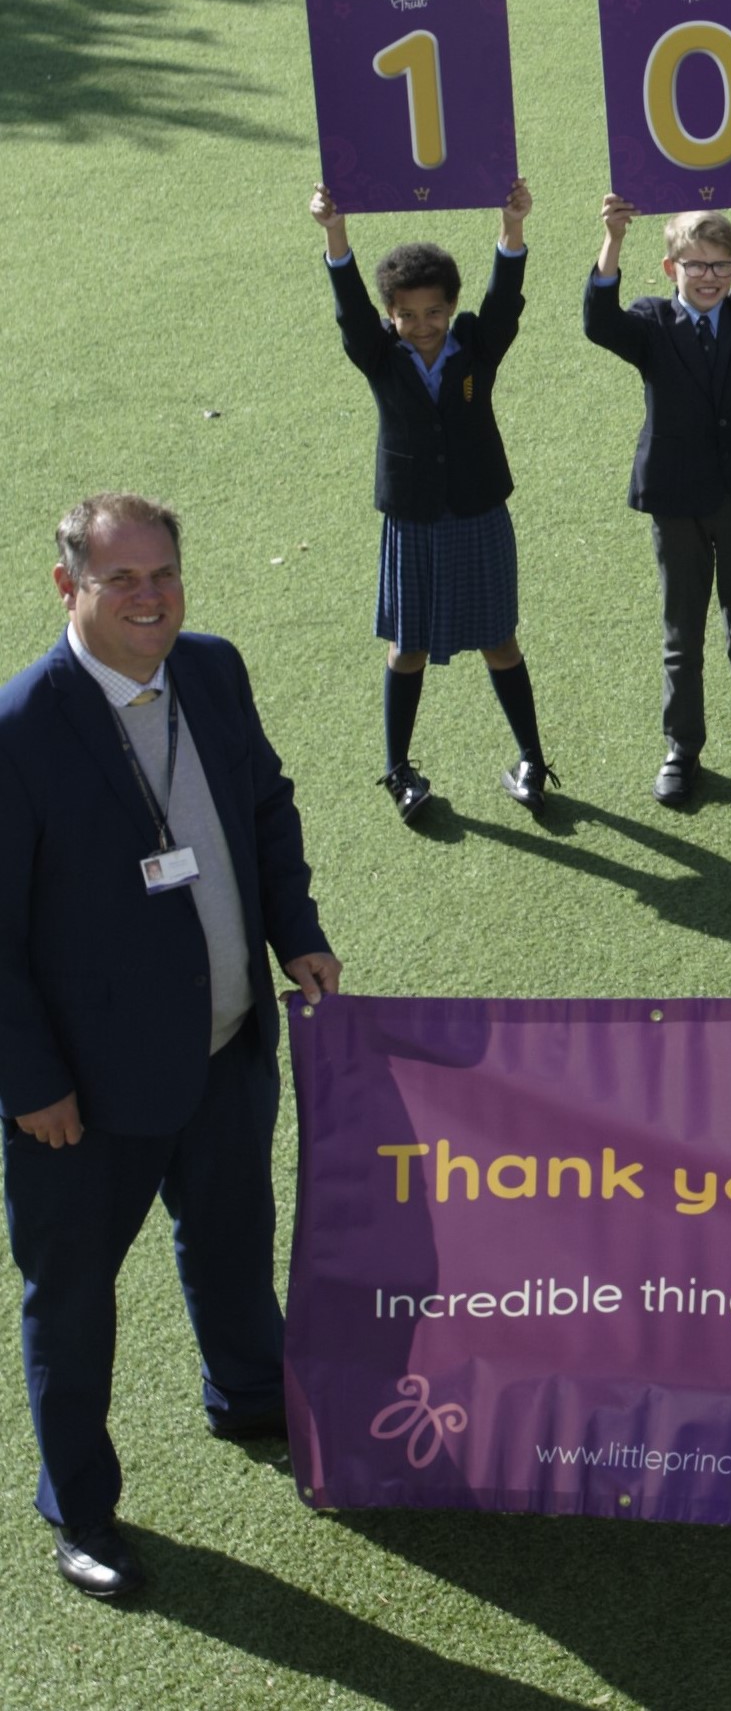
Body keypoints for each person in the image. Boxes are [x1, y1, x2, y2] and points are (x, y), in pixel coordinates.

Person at [0, 494, 340, 1600]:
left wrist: (297, 931)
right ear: (69, 589)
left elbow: (266, 805)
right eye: (122, 580)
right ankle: (81, 1509)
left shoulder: (214, 667)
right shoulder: (20, 728)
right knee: (74, 1299)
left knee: (237, 1237)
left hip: (227, 1045)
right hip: (85, 1098)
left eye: (165, 574)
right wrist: (32, 1084)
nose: (152, 597)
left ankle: (248, 1391)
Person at [312, 179, 554, 823]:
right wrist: (335, 232)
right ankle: (398, 770)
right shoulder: (378, 355)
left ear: (451, 307)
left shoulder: (478, 345)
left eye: (433, 312)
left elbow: (506, 300)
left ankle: (532, 757)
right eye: (407, 315)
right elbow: (348, 308)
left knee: (501, 640)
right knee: (407, 646)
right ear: (391, 315)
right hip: (413, 519)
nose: (421, 326)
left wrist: (512, 225)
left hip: (478, 513)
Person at [586, 186, 731, 807]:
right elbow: (598, 322)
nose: (710, 277)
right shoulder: (649, 322)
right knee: (681, 633)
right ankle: (681, 750)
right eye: (696, 265)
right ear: (671, 269)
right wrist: (613, 238)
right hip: (677, 499)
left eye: (721, 265)